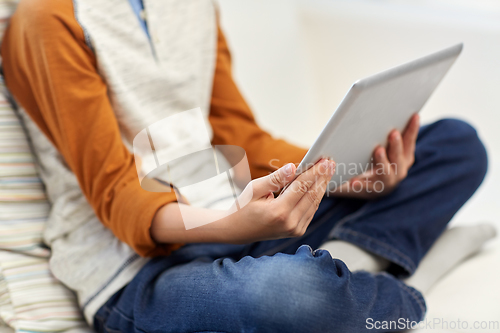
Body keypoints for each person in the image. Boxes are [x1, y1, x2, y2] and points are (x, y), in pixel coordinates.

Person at [1, 0, 495, 332]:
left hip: (235, 222)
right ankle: (404, 284)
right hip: (135, 272)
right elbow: (116, 195)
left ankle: (350, 261)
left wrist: (339, 171)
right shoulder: (47, 21)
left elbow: (238, 135)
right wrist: (229, 221)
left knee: (456, 146)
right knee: (296, 292)